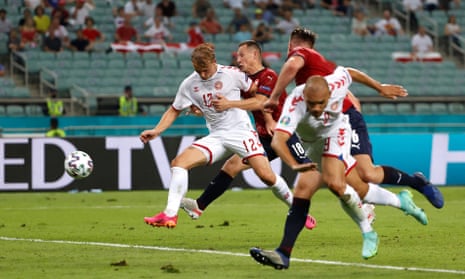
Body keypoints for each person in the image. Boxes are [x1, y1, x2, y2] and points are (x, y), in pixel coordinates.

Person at [250, 68, 427, 269]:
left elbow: (350, 72)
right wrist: (293, 164)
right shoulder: (294, 103)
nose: (316, 108)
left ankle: (364, 232)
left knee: (331, 184)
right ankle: (401, 201)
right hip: (312, 143)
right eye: (312, 103)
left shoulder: (337, 83)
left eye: (321, 103)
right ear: (304, 97)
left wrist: (380, 87)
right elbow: (278, 142)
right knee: (355, 189)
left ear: (329, 94)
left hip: (337, 133)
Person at [265, 27, 443, 209]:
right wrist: (370, 91)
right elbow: (346, 76)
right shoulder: (320, 65)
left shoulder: (301, 53)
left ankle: (416, 183)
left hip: (345, 118)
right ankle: (369, 207)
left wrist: (274, 97)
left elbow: (294, 65)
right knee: (346, 178)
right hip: (331, 123)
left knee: (368, 174)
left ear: (291, 45)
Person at [141, 43, 295, 228]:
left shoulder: (232, 74)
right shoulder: (189, 84)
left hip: (242, 133)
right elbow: (174, 110)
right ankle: (169, 215)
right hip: (217, 136)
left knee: (266, 176)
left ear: (214, 62)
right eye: (199, 71)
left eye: (205, 70)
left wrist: (265, 117)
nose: (203, 75)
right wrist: (157, 130)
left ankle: (297, 209)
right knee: (179, 163)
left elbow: (257, 98)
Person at [180, 40, 317, 230]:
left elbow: (262, 102)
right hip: (262, 137)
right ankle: (199, 206)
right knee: (233, 166)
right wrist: (202, 110)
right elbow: (233, 104)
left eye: (241, 55)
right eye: (237, 56)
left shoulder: (268, 75)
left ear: (255, 55)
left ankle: (354, 193)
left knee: (309, 169)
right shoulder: (244, 80)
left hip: (282, 133)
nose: (238, 59)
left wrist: (267, 120)